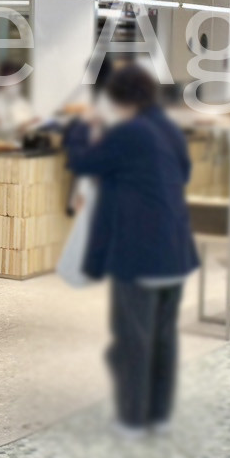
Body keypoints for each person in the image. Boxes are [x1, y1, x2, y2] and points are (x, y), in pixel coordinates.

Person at [65, 64, 197, 437]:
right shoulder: (167, 128)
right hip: (175, 248)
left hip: (140, 251)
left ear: (118, 99)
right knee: (164, 337)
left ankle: (133, 419)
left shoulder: (130, 132)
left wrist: (81, 127)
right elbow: (184, 172)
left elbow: (83, 162)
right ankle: (160, 415)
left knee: (134, 337)